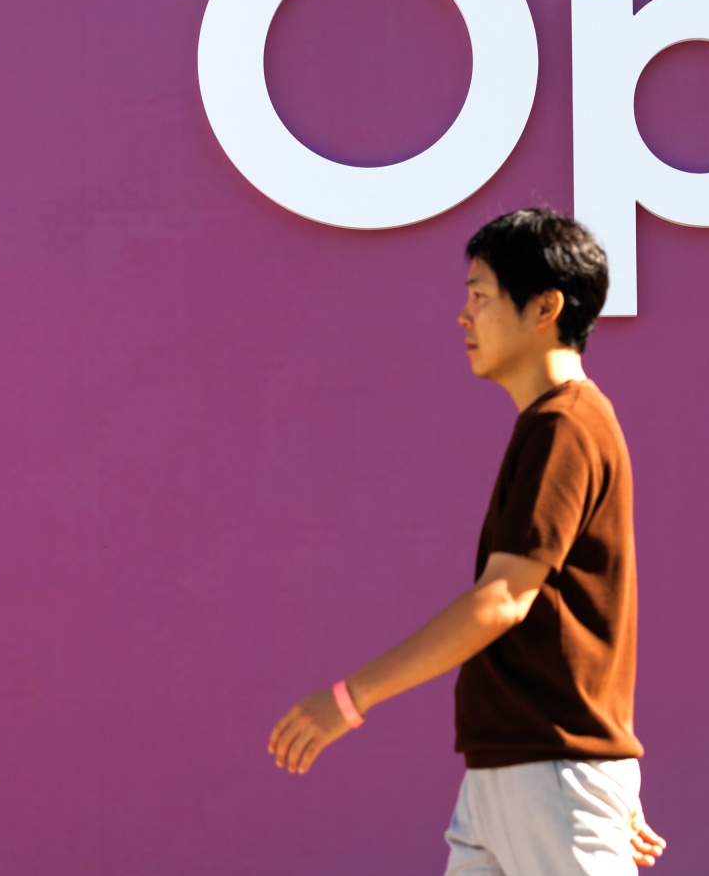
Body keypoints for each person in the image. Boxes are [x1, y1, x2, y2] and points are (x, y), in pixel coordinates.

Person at [266, 208, 668, 873]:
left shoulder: (566, 425)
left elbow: (503, 599)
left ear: (545, 307)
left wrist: (348, 700)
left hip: (551, 773)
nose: (463, 316)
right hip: (509, 776)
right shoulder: (552, 424)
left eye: (480, 295)